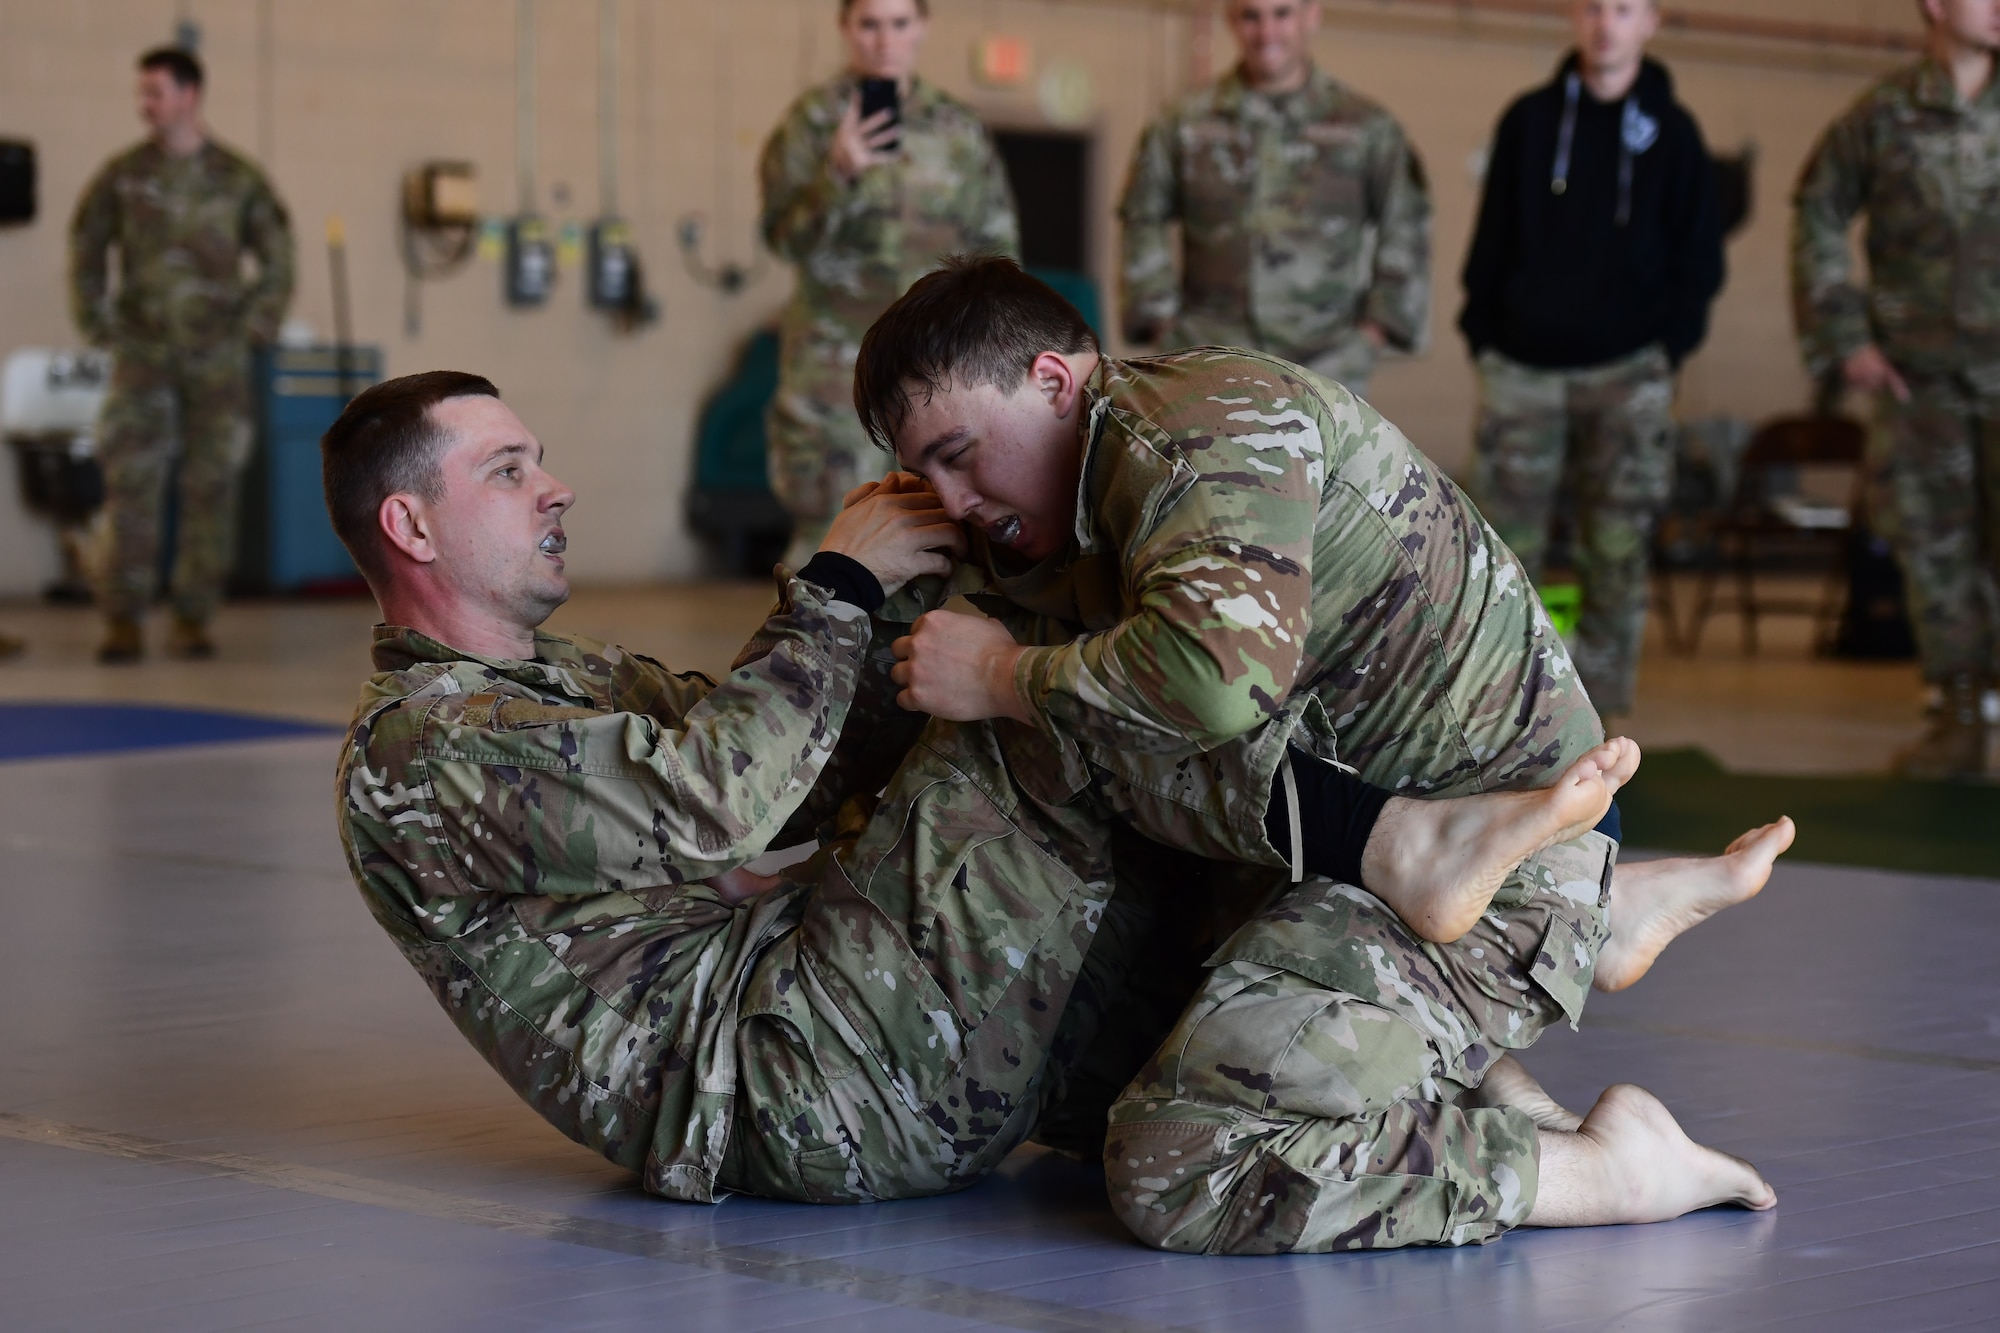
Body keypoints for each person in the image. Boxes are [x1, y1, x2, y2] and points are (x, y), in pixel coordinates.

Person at [327, 369, 1774, 1226]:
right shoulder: (421, 745)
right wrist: (840, 587)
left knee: (978, 695)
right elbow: (713, 798)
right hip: (797, 1086)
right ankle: (1402, 843)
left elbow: (775, 775)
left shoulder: (551, 682)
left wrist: (899, 637)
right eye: (510, 471)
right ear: (411, 523)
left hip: (823, 1006)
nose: (555, 485)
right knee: (1028, 712)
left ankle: (1531, 1009)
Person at [855, 255, 1783, 1251]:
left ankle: (1606, 1167)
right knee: (1085, 1070)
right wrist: (846, 570)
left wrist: (1001, 675)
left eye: (958, 453)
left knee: (1182, 1159)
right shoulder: (1046, 513)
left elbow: (1214, 680)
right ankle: (1535, 999)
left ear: (1052, 381)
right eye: (924, 472)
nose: (947, 498)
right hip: (1350, 852)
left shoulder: (1196, 429)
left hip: (1492, 845)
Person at [1458, 0, 1723, 716]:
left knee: (1617, 546)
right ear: (1574, 18)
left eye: (1625, 9)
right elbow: (1490, 242)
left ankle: (1603, 719)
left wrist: (1668, 349)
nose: (1607, 23)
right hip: (1523, 370)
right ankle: (1510, 714)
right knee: (1505, 552)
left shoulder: (1674, 133)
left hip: (1628, 371)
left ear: (1651, 23)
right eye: (1593, 7)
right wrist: (1484, 336)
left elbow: (1699, 258)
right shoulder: (1530, 121)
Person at [1792, 0, 2000, 781]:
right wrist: (1843, 337)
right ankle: (1956, 717)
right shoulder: (1882, 114)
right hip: (1924, 382)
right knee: (1937, 553)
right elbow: (1815, 209)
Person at [758, 0, 1018, 571]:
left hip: (936, 356)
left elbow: (997, 245)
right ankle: (809, 649)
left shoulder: (957, 129)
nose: (884, 40)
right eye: (869, 24)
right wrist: (837, 175)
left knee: (937, 510)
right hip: (834, 354)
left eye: (899, 24)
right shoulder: (811, 123)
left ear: (921, 28)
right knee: (829, 514)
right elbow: (783, 238)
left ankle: (909, 653)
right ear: (846, 28)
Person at [69, 46, 295, 664]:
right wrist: (97, 319)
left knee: (209, 485)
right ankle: (123, 618)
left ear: (190, 95)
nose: (145, 105)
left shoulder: (238, 179)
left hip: (215, 357)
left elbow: (278, 257)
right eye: (142, 93)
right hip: (143, 354)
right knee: (131, 482)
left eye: (156, 93)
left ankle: (192, 616)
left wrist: (254, 325)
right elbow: (86, 244)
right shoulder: (122, 175)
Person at [1116, 0, 1430, 398]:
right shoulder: (1185, 122)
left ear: (1311, 15)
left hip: (1328, 360)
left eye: (1282, 13)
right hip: (1209, 354)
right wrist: (1159, 319)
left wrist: (1375, 332)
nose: (1267, 33)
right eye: (1251, 16)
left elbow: (1407, 220)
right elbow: (1142, 215)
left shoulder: (1364, 127)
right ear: (1231, 19)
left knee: (1323, 463)